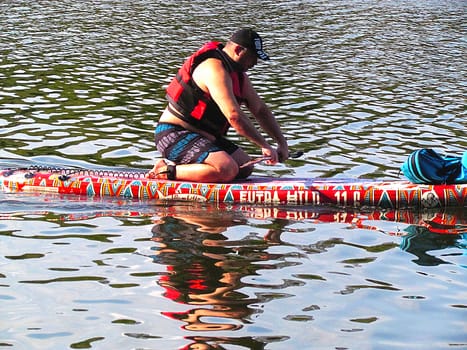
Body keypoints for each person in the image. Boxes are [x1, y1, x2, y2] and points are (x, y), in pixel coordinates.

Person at [147, 28, 289, 182]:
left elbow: (260, 110)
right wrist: (264, 145)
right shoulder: (213, 68)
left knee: (245, 167)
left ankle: (189, 168)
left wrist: (281, 142)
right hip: (174, 134)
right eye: (253, 57)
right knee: (226, 169)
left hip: (203, 137)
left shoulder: (239, 76)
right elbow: (234, 116)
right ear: (238, 50)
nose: (255, 63)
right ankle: (163, 170)